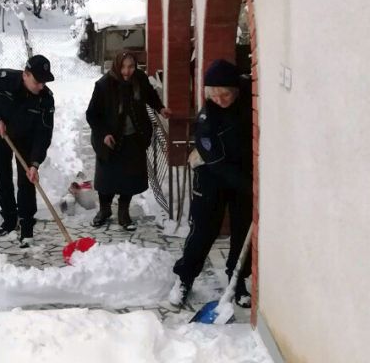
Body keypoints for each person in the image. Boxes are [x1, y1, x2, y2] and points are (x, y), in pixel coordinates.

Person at [169, 59, 253, 308]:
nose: (220, 99)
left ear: (235, 90)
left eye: (225, 94)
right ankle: (184, 278)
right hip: (211, 176)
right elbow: (216, 163)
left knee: (243, 229)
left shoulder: (248, 100)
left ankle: (237, 281)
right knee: (204, 230)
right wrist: (250, 186)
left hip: (244, 176)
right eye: (214, 95)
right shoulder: (207, 118)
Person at [0, 55, 55, 247]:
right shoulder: (1, 81)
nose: (41, 86)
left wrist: (35, 163)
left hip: (28, 139)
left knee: (27, 179)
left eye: (44, 81)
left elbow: (44, 134)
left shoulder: (46, 99)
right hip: (2, 133)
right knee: (1, 174)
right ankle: (9, 219)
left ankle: (26, 226)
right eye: (37, 81)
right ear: (25, 74)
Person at [86, 51, 171, 230]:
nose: (127, 71)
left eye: (131, 66)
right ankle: (104, 210)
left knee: (129, 177)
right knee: (106, 178)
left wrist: (161, 108)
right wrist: (104, 134)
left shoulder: (139, 79)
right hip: (110, 140)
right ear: (117, 65)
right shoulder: (104, 85)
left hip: (134, 137)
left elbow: (150, 95)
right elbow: (92, 115)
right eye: (123, 67)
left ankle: (123, 213)